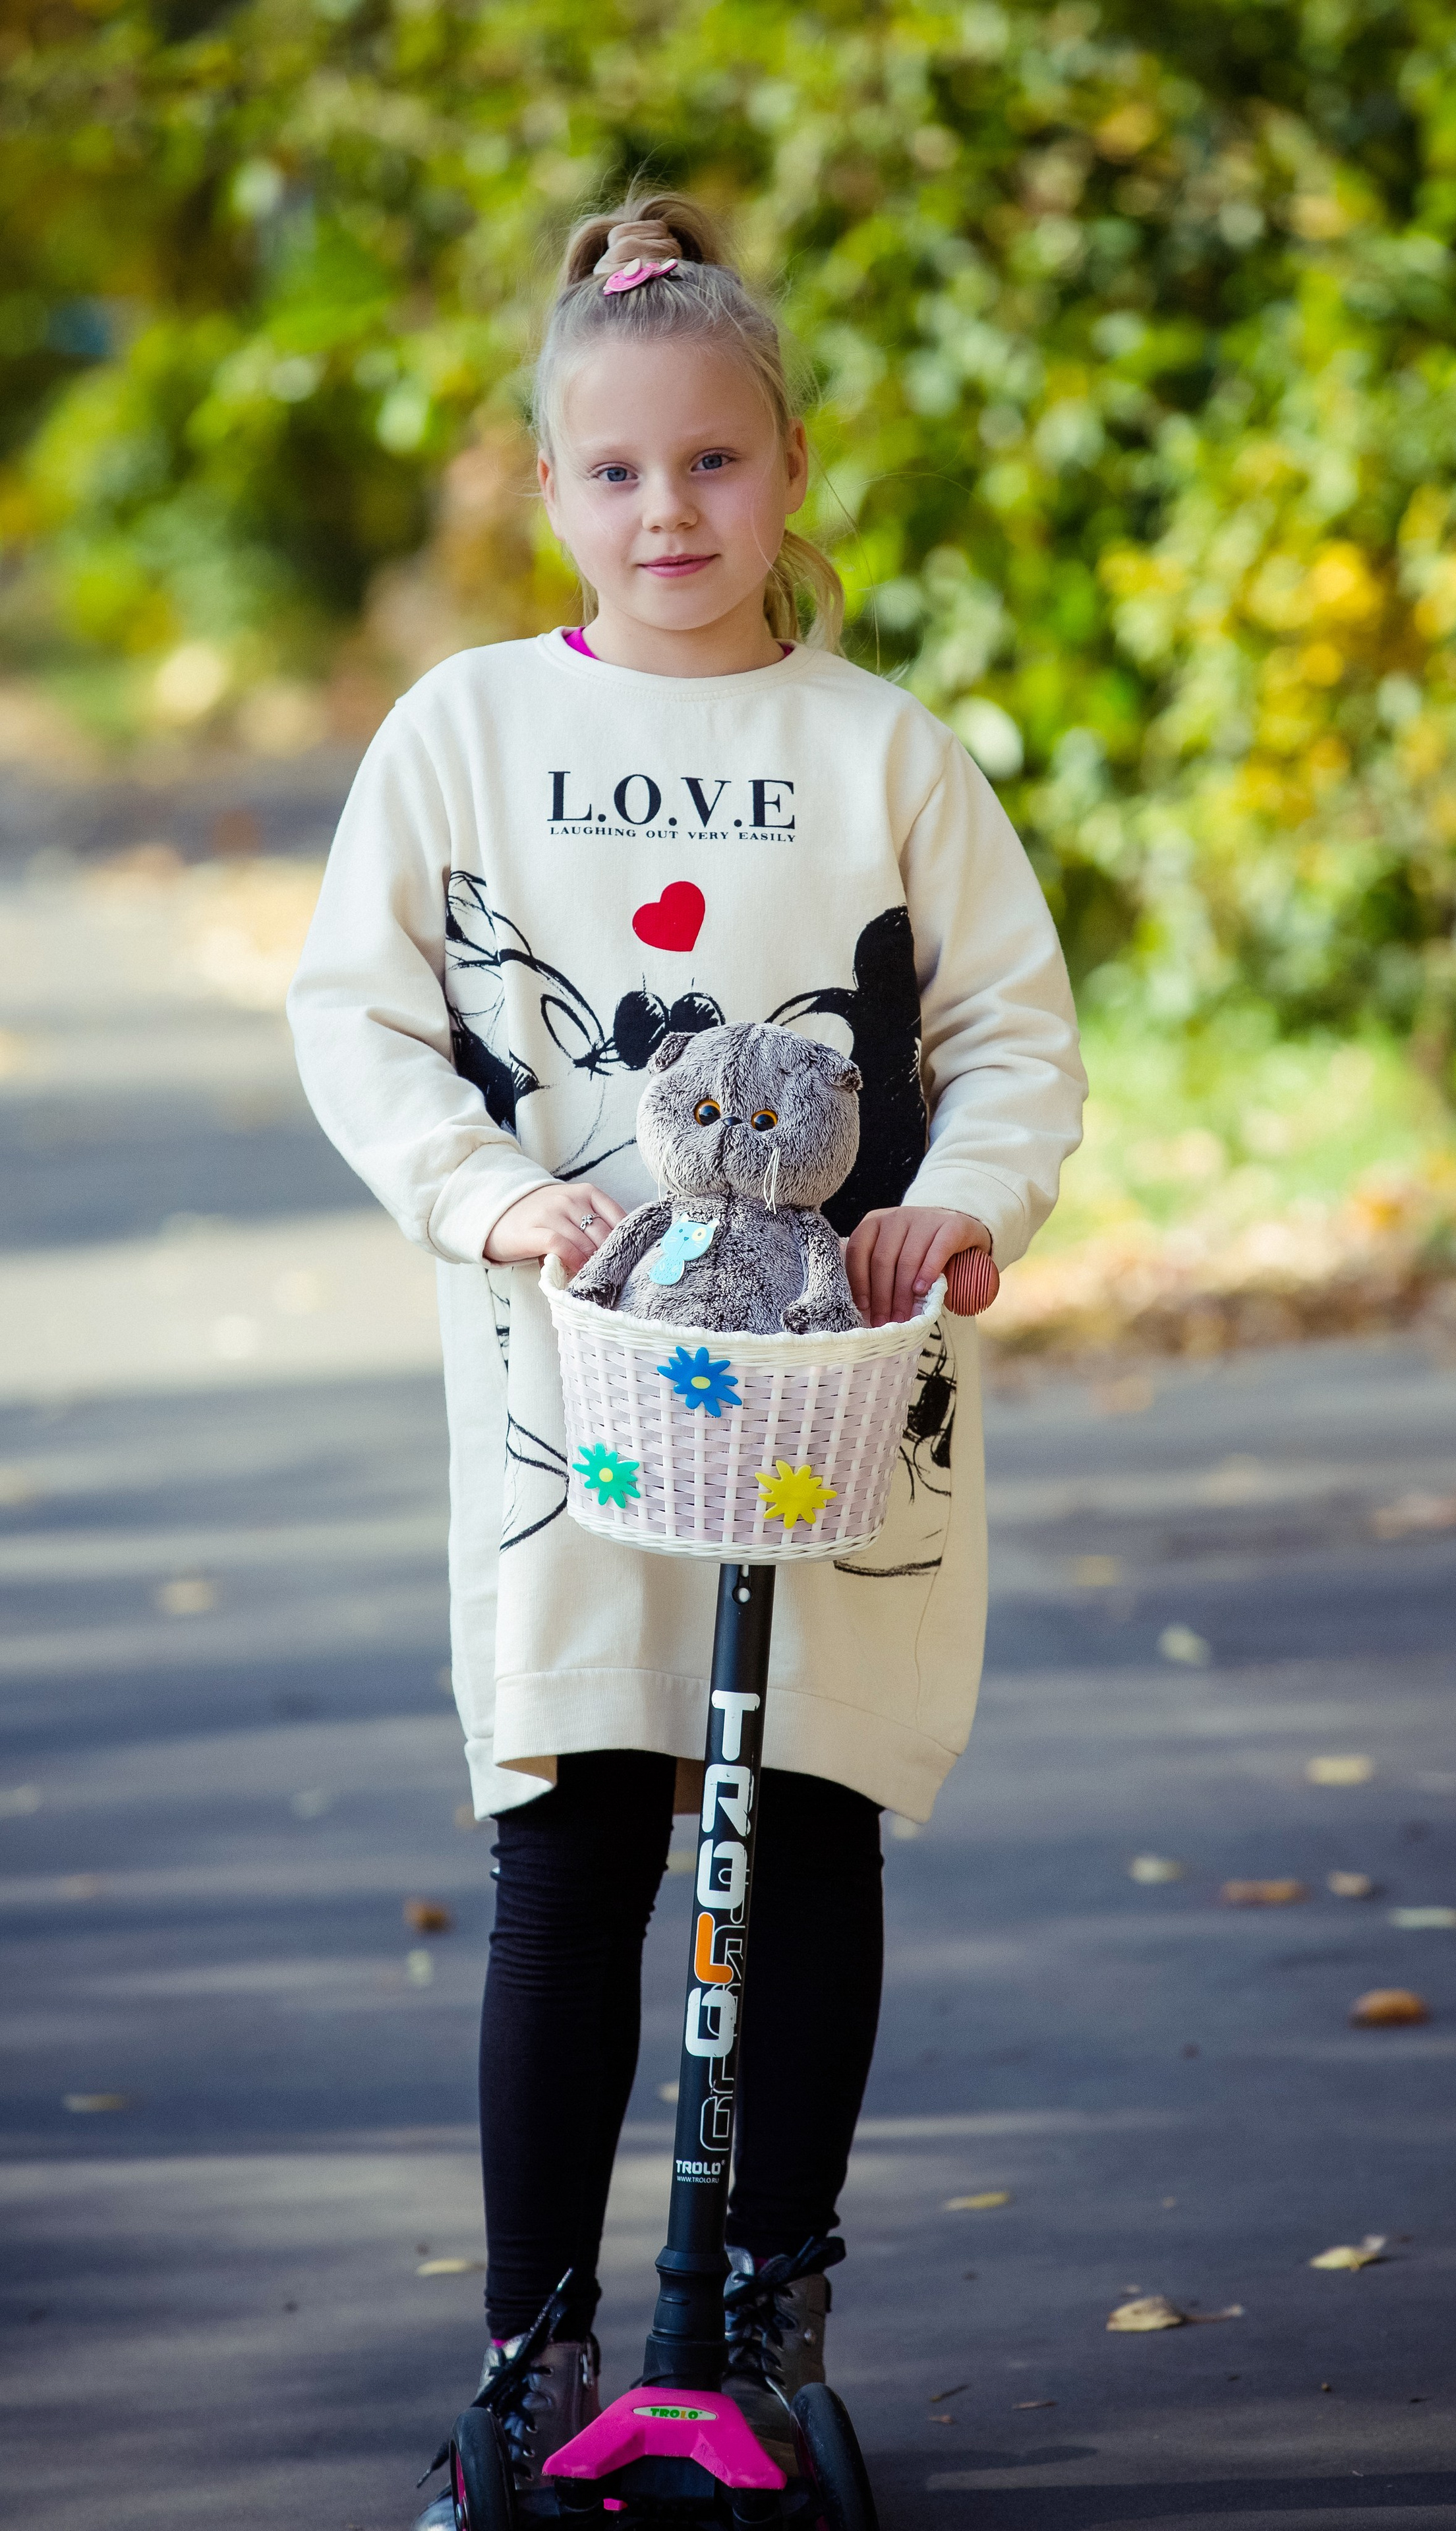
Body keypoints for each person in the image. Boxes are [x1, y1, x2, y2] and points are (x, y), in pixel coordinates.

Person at [287, 190, 1085, 2516]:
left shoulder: (885, 751)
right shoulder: (468, 730)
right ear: (551, 486)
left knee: (805, 1827)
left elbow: (1012, 1033)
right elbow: (358, 1017)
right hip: (576, 1382)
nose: (671, 511)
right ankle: (538, 2347)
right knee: (573, 1840)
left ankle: (760, 2313)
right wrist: (486, 1192)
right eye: (620, 470)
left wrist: (964, 1203)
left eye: (716, 463)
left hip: (840, 1385)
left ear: (791, 469)